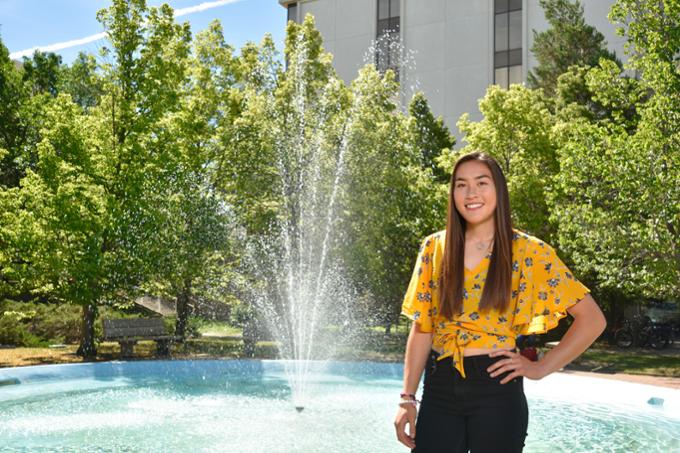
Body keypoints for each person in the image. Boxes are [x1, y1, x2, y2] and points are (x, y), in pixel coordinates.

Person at [393, 152, 607, 452]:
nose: (471, 193)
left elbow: (593, 320)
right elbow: (422, 329)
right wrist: (407, 398)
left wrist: (539, 368)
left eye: (482, 182)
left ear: (499, 190)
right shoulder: (434, 247)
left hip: (497, 387)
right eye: (461, 185)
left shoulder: (530, 251)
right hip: (439, 386)